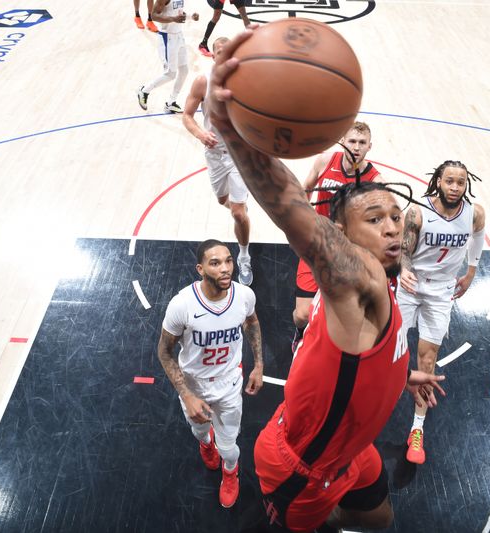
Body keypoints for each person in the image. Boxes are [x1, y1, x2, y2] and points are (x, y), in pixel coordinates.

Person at [205, 27, 446, 533]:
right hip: (301, 467)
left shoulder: (378, 284)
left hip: (353, 450)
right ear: (340, 233)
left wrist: (398, 376)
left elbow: (365, 349)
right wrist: (228, 126)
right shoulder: (358, 276)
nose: (392, 227)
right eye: (374, 218)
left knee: (380, 520)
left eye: (395, 217)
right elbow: (294, 209)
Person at [157, 239, 264, 508]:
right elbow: (164, 352)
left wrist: (259, 365)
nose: (226, 268)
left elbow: (251, 321)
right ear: (200, 269)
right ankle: (206, 443)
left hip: (229, 383)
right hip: (194, 386)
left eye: (228, 261)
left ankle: (230, 473)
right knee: (200, 432)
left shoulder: (243, 296)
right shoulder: (182, 305)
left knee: (229, 447)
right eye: (215, 263)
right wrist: (186, 395)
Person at [397, 160, 485, 465]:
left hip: (443, 291)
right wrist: (404, 269)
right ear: (438, 181)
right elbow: (404, 250)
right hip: (411, 286)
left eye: (460, 182)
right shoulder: (418, 211)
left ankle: (417, 429)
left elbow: (478, 239)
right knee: (390, 349)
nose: (455, 187)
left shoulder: (474, 213)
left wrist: (472, 271)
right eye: (449, 181)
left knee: (428, 358)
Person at [292, 122, 380, 350]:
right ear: (342, 141)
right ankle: (300, 332)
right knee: (302, 314)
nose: (356, 147)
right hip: (316, 244)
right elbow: (307, 188)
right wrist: (301, 216)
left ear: (370, 146)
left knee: (344, 318)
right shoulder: (324, 161)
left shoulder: (376, 181)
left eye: (362, 143)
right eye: (352, 141)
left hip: (349, 254)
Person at [182, 37, 253, 286]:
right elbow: (187, 115)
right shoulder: (203, 81)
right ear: (213, 55)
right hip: (214, 155)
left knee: (238, 213)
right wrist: (200, 133)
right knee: (224, 201)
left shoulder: (246, 80)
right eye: (218, 51)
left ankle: (244, 256)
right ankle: (239, 203)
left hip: (238, 155)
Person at [136, 0, 198, 113]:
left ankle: (171, 102)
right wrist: (172, 19)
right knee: (170, 74)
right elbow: (154, 15)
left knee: (184, 70)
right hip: (167, 38)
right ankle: (144, 91)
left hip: (179, 35)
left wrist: (190, 17)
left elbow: (176, 12)